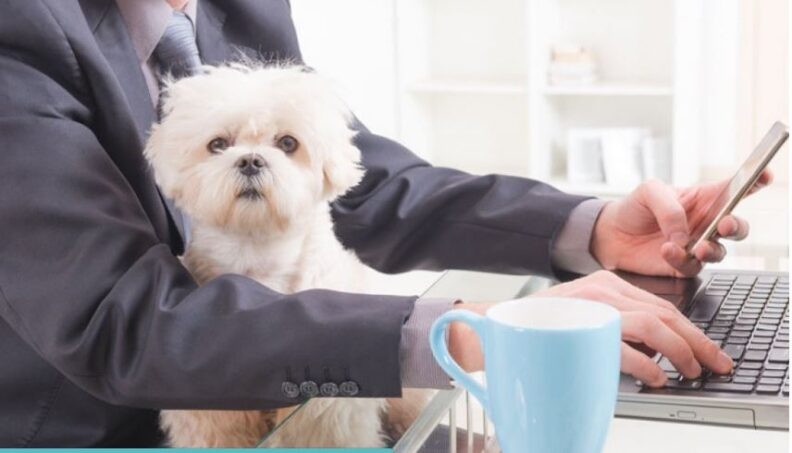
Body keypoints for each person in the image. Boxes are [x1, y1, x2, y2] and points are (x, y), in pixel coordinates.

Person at [0, 0, 770, 447]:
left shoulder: (229, 6)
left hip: (284, 382)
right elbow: (120, 320)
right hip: (89, 425)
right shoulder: (20, 33)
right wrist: (459, 331)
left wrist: (590, 226)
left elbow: (362, 177)